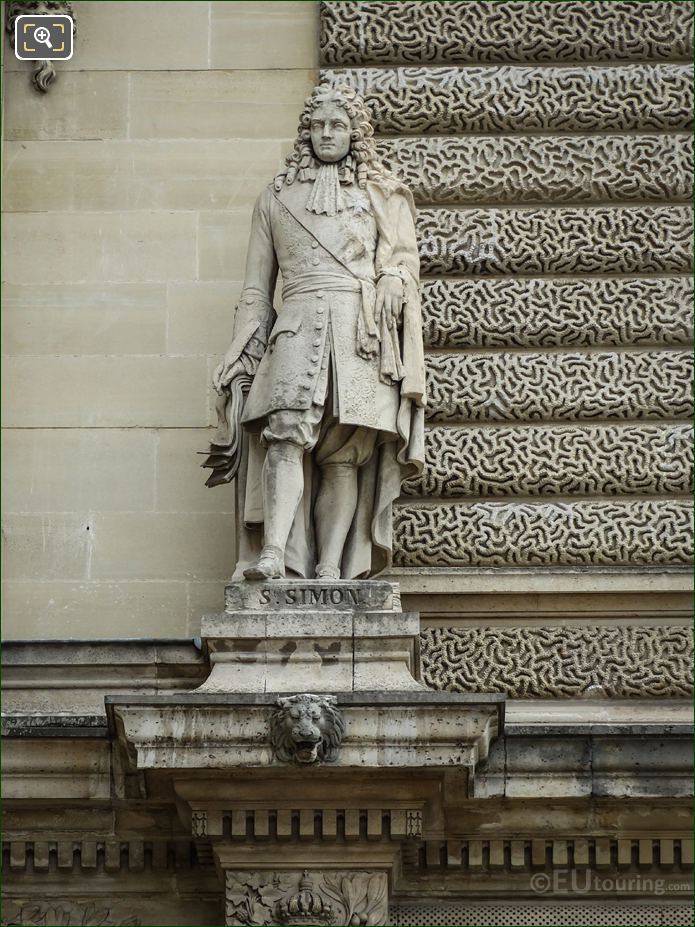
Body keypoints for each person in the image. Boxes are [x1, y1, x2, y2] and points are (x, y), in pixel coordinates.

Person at [205, 83, 425, 581]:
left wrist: (393, 277)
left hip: (359, 336)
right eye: (318, 125)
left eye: (338, 125)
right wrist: (239, 350)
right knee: (284, 437)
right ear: (306, 132)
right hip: (296, 329)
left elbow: (403, 261)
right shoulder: (275, 199)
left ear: (356, 133)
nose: (327, 133)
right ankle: (273, 554)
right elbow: (256, 290)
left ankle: (331, 569)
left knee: (344, 456)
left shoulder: (383, 195)